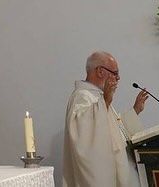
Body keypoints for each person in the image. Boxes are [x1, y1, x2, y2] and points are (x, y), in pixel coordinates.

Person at [62, 51, 148, 187]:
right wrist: (105, 100)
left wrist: (135, 110)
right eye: (115, 73)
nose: (118, 78)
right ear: (100, 71)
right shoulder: (82, 96)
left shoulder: (98, 97)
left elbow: (114, 131)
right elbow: (83, 133)